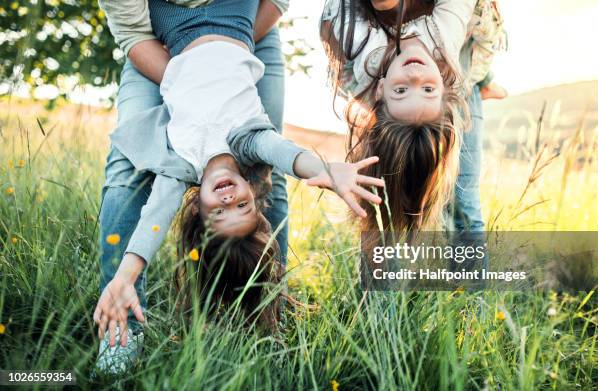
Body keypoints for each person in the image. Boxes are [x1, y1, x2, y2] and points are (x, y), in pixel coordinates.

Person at [94, 0, 385, 375]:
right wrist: (327, 171)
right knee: (277, 176)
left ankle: (133, 324)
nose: (229, 199)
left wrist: (125, 276)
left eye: (219, 211)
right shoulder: (249, 141)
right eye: (242, 208)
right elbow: (287, 155)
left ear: (196, 206)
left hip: (173, 28)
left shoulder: (180, 164)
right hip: (236, 16)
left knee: (127, 171)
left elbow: (155, 218)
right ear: (253, 196)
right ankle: (269, 311)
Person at [320, 0, 475, 232]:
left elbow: (342, 9)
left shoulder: (367, 56)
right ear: (443, 86)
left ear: (381, 89)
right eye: (428, 90)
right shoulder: (445, 41)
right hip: (472, 42)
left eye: (401, 91)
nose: (415, 75)